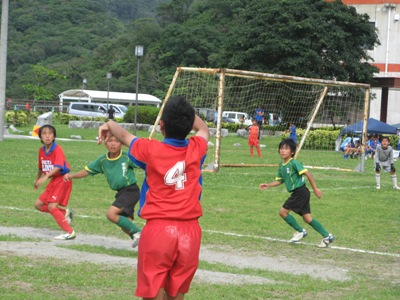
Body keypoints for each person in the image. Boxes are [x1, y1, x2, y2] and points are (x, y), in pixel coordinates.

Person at [97, 96, 210, 300]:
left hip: (159, 230)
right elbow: (204, 130)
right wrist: (188, 116)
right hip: (190, 233)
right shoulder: (197, 148)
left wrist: (109, 123)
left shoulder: (150, 150)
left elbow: (123, 135)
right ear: (188, 123)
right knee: (176, 293)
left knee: (152, 292)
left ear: (162, 126)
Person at [63, 135, 142, 247]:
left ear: (122, 144)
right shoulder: (102, 160)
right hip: (121, 193)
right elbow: (87, 171)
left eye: (116, 141)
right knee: (125, 225)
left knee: (111, 214)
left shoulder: (127, 157)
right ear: (105, 142)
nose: (113, 144)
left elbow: (143, 164)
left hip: (130, 190)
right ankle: (145, 241)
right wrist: (72, 176)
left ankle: (140, 234)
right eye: (110, 141)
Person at [259, 138, 334, 248]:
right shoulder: (282, 165)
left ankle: (300, 231)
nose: (283, 151)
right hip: (300, 193)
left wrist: (315, 188)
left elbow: (308, 174)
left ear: (292, 152)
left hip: (300, 192)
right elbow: (280, 180)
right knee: (307, 218)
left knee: (283, 212)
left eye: (286, 149)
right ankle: (327, 236)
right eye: (281, 148)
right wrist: (268, 185)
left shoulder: (294, 163)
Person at [34, 124, 75, 240]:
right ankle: (64, 213)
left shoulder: (57, 149)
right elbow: (41, 167)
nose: (47, 136)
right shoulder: (41, 151)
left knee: (52, 206)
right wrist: (37, 178)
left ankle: (69, 231)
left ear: (54, 136)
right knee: (38, 205)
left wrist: (45, 178)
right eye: (44, 133)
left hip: (63, 179)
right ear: (40, 137)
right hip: (54, 180)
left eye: (50, 133)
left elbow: (58, 167)